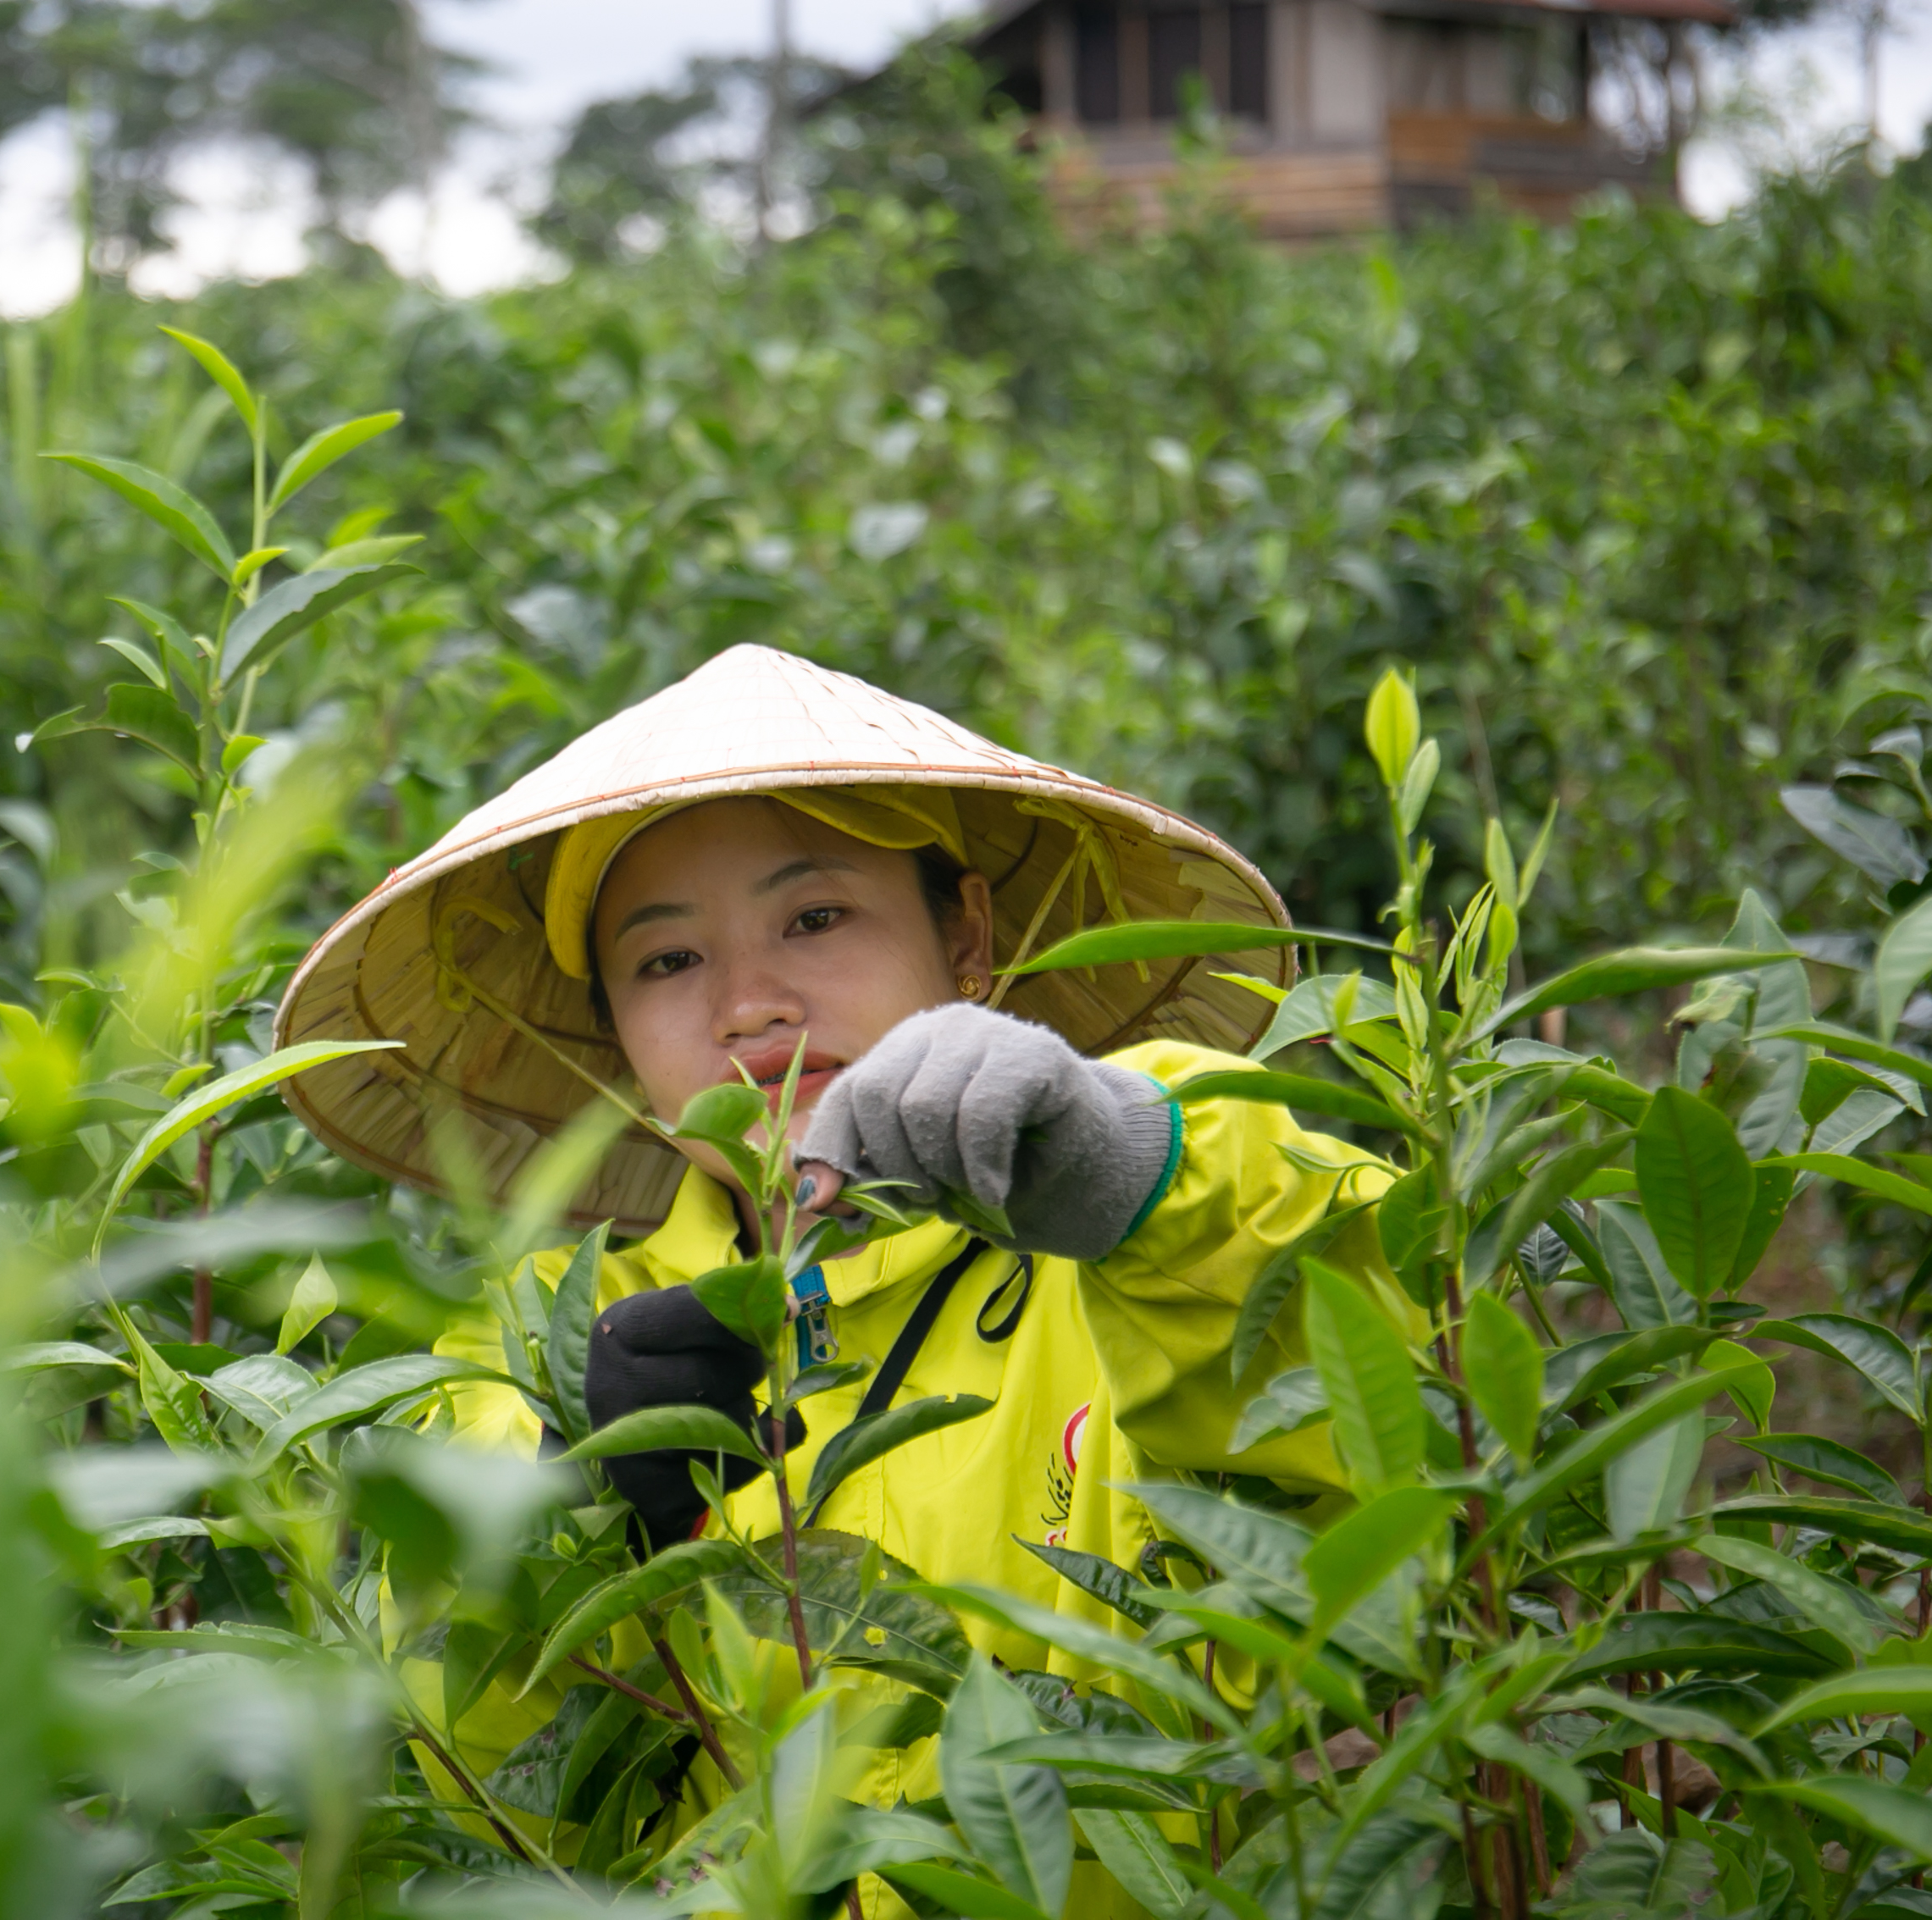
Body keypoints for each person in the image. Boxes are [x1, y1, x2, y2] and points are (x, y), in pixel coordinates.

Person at [274, 645, 1406, 1912]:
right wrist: (570, 1511)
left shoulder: (1143, 1191)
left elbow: (1368, 1396)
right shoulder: (551, 1340)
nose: (750, 1007)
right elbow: (473, 1774)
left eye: (815, 919)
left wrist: (1116, 1173)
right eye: (665, 963)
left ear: (965, 933)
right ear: (611, 1028)